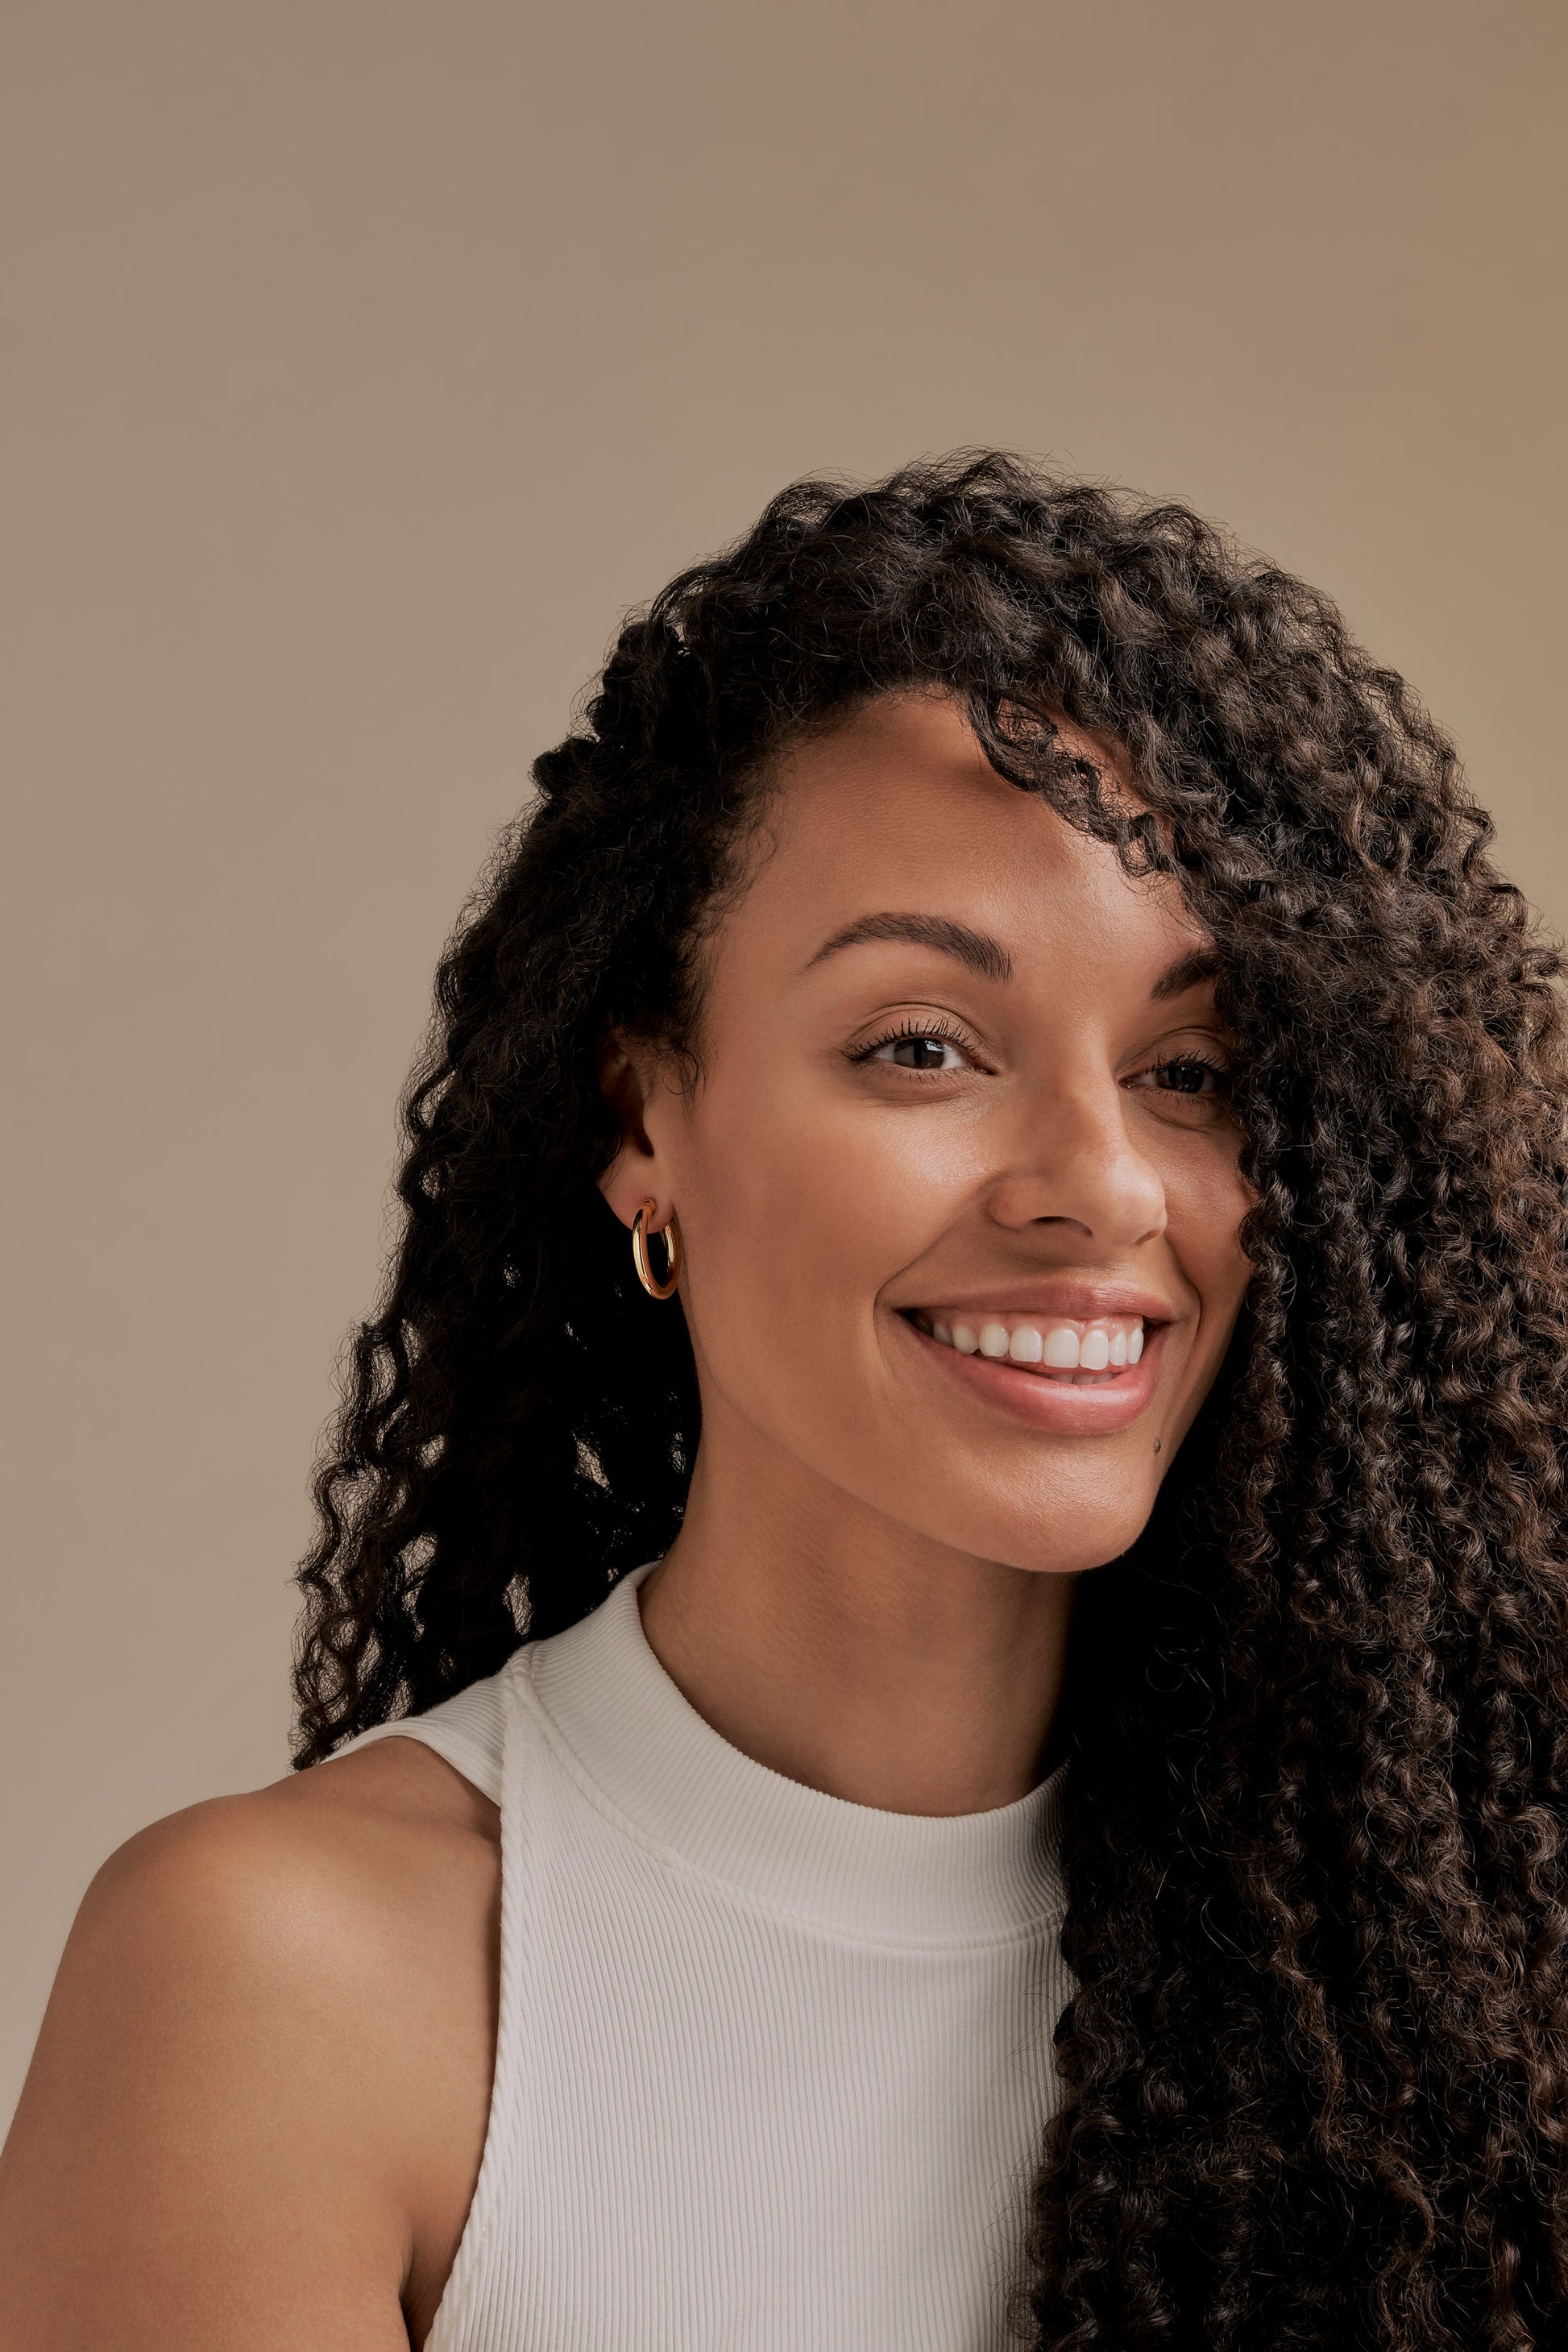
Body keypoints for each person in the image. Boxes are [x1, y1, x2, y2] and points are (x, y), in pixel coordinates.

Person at [3, 454, 1566, 2351]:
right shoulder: (291, 1988)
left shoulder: (1445, 1993)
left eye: (1190, 1068)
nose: (1099, 1184)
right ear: (642, 1122)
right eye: (924, 1045)